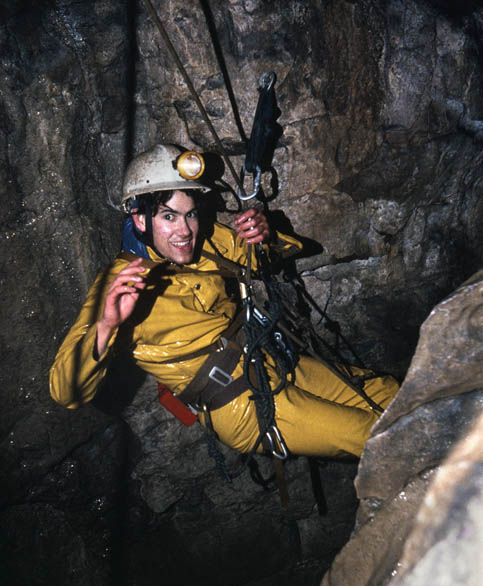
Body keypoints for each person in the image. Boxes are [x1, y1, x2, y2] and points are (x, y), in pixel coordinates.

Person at [50, 143, 398, 460]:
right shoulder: (119, 283)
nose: (184, 230)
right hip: (237, 401)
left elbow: (266, 259)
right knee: (370, 435)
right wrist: (107, 325)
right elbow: (66, 392)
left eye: (190, 213)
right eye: (168, 216)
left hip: (268, 361)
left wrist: (265, 237)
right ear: (140, 218)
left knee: (387, 392)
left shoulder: (204, 239)